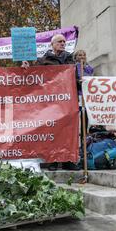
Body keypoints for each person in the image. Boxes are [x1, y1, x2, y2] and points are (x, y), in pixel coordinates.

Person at [37, 34, 77, 170]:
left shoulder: (70, 59)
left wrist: (79, 80)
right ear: (52, 44)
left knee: (68, 130)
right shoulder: (43, 60)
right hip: (51, 102)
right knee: (53, 130)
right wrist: (25, 67)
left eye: (64, 42)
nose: (63, 43)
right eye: (60, 41)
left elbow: (75, 77)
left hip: (67, 101)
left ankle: (67, 160)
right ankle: (53, 160)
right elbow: (36, 77)